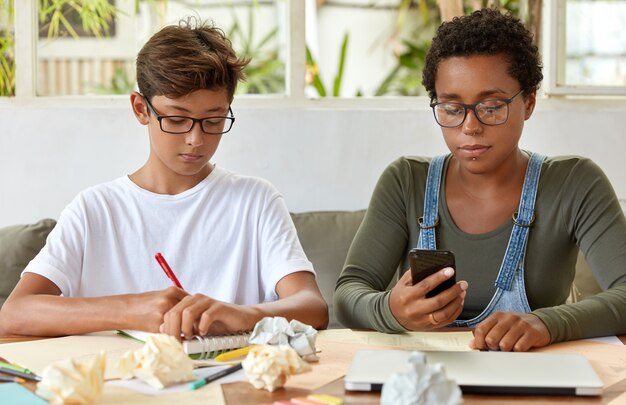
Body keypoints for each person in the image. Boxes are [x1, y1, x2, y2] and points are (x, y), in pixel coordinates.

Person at [0, 18, 328, 338]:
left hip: (229, 385)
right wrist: (132, 310)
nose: (195, 139)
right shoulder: (96, 210)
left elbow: (313, 306)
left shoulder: (255, 200)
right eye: (176, 118)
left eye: (213, 120)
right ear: (141, 109)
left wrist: (241, 314)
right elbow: (15, 313)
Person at [334, 8, 626, 352]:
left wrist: (547, 323)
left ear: (529, 102)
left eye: (490, 106)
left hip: (531, 378)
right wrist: (391, 310)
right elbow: (348, 293)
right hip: (422, 381)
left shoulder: (575, 183)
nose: (470, 127)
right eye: (452, 108)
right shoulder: (405, 182)